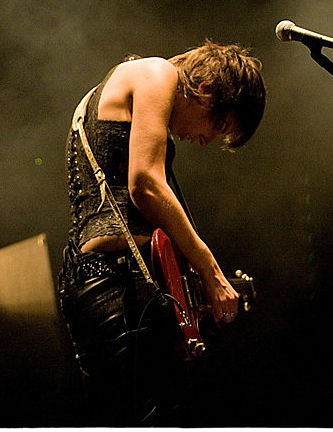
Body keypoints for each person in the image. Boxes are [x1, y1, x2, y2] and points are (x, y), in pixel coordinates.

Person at [59, 40, 266, 426]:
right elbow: (145, 184)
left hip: (97, 280)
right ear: (206, 88)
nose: (205, 141)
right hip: (118, 285)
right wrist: (210, 270)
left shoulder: (122, 87)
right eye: (217, 127)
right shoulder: (157, 72)